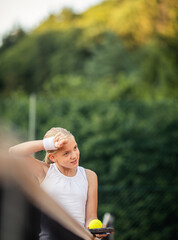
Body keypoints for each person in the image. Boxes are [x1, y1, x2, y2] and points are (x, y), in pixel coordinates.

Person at [9, 127, 106, 239]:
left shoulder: (90, 176)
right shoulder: (44, 172)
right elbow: (13, 153)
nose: (74, 155)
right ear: (52, 157)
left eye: (75, 147)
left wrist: (95, 228)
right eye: (66, 153)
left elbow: (91, 217)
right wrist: (49, 143)